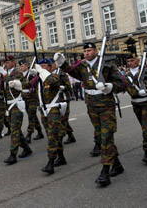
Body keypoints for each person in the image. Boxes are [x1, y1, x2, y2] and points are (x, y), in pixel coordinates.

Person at [54, 43, 125, 187]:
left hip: (106, 105)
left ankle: (105, 172)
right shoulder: (82, 66)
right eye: (85, 51)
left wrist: (109, 87)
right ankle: (116, 164)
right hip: (92, 106)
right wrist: (62, 63)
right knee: (102, 136)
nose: (86, 53)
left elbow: (121, 84)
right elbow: (72, 71)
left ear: (96, 51)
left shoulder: (107, 64)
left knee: (106, 137)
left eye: (89, 50)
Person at [124, 53, 147, 165]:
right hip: (136, 104)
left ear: (138, 61)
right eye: (128, 61)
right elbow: (121, 87)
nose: (130, 63)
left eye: (132, 60)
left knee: (146, 127)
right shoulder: (127, 75)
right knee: (145, 126)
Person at [30, 59, 66, 174]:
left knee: (52, 137)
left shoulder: (55, 76)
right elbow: (29, 87)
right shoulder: (39, 80)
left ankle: (50, 162)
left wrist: (42, 72)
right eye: (40, 66)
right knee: (53, 136)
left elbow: (54, 82)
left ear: (50, 67)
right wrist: (17, 84)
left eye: (44, 66)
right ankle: (61, 157)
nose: (42, 68)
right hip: (44, 112)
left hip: (54, 110)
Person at [0, 55, 32, 165]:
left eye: (8, 62)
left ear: (13, 63)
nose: (6, 64)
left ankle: (13, 155)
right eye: (5, 62)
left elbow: (15, 84)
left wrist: (5, 75)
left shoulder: (18, 73)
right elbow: (1, 86)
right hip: (8, 106)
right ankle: (26, 148)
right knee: (16, 130)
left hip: (16, 104)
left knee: (14, 130)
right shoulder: (4, 74)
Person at [19, 59, 44, 144]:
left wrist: (35, 74)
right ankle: (40, 132)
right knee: (32, 115)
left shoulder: (32, 74)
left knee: (31, 116)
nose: (21, 68)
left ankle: (29, 134)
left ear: (26, 66)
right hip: (25, 98)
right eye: (20, 66)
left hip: (32, 98)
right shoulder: (20, 75)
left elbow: (32, 84)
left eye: (22, 66)